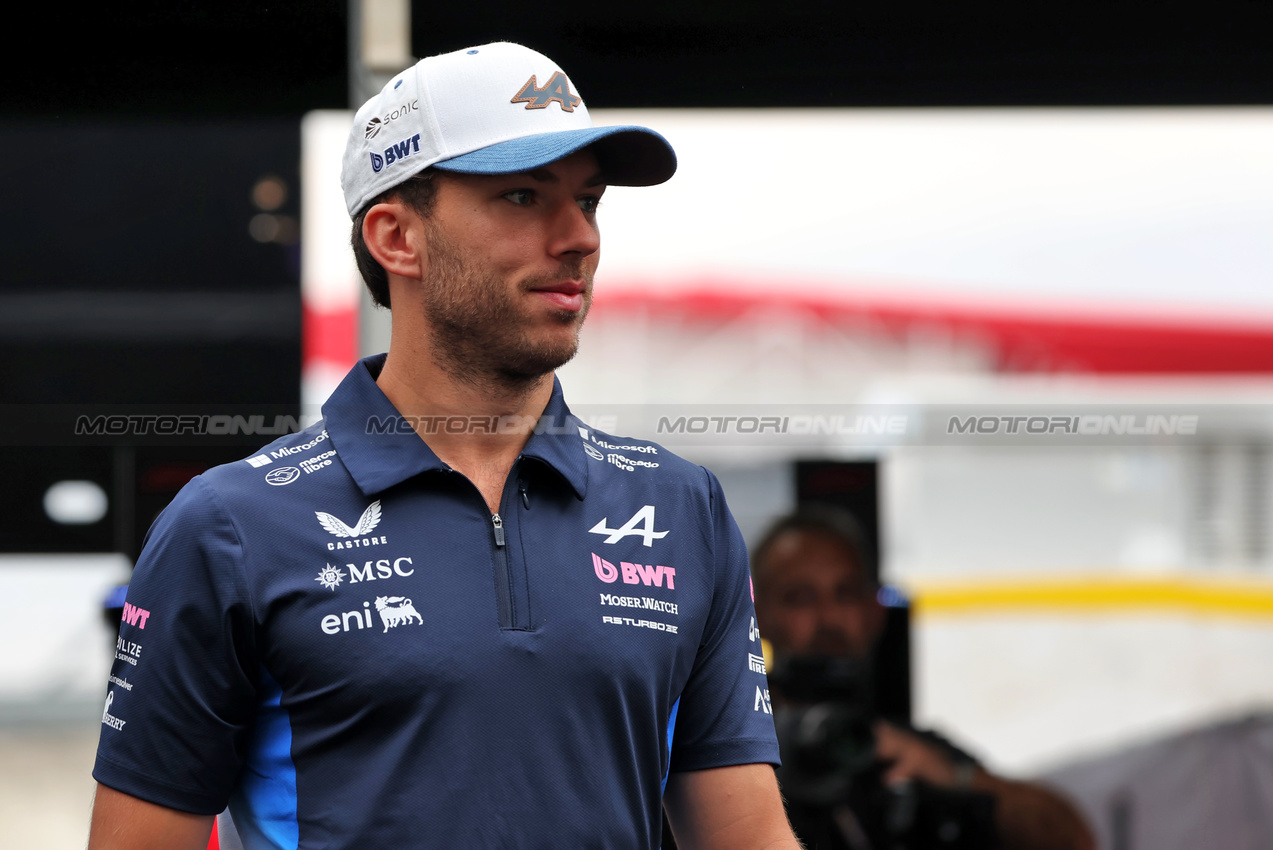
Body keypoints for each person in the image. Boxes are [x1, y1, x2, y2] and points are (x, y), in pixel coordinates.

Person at [89, 42, 800, 850]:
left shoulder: (679, 506)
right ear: (396, 238)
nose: (577, 238)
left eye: (590, 201)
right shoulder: (230, 526)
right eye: (524, 196)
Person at [752, 507, 1095, 850]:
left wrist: (954, 778)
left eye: (846, 593)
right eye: (800, 598)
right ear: (758, 615)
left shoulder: (902, 749)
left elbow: (1073, 838)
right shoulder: (733, 744)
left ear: (875, 612)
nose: (828, 618)